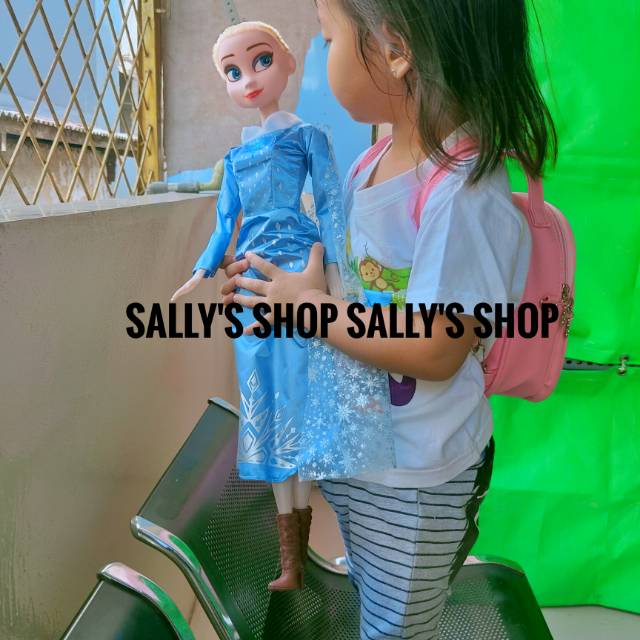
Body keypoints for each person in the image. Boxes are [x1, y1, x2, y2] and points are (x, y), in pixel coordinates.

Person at [221, 0, 557, 637]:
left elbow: (435, 347)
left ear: (396, 51)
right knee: (371, 593)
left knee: (397, 624)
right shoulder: (369, 163)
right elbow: (349, 277)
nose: (322, 55)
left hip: (415, 481)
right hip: (363, 453)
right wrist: (301, 286)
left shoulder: (463, 192)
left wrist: (312, 312)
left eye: (328, 38)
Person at [171, 20, 393, 593]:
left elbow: (330, 205)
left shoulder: (308, 137)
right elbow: (225, 222)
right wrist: (200, 271)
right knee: (263, 405)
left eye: (261, 61)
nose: (248, 79)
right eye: (232, 71)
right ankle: (290, 562)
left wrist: (336, 278)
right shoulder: (235, 157)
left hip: (296, 275)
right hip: (250, 288)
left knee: (297, 399)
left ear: (290, 62)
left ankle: (308, 549)